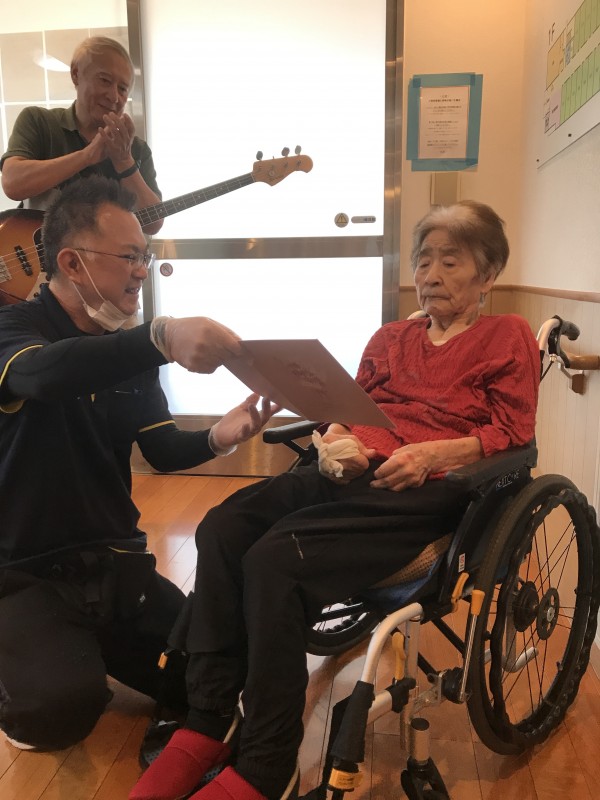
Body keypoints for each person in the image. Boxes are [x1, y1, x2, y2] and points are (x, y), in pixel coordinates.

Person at [129, 200, 541, 800]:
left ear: (489, 272)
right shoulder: (391, 337)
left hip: (425, 488)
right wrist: (337, 437)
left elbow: (513, 431)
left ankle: (267, 760)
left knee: (275, 561)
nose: (430, 275)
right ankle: (209, 717)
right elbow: (352, 405)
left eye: (450, 262)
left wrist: (433, 455)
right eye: (423, 260)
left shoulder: (507, 335)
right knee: (223, 526)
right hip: (352, 469)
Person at [0, 175, 278, 752]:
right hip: (23, 575)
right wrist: (159, 337)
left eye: (144, 257)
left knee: (214, 674)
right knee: (58, 714)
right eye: (129, 257)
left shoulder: (126, 350)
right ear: (72, 263)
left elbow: (162, 450)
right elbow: (43, 375)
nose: (141, 271)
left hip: (114, 568)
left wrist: (220, 437)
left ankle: (83, 644)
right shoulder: (13, 329)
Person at [0, 36, 163, 235]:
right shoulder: (39, 121)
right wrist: (86, 156)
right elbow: (12, 184)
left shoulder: (137, 149)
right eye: (105, 80)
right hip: (38, 253)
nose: (114, 96)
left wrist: (124, 161)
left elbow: (153, 224)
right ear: (76, 74)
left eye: (122, 89)